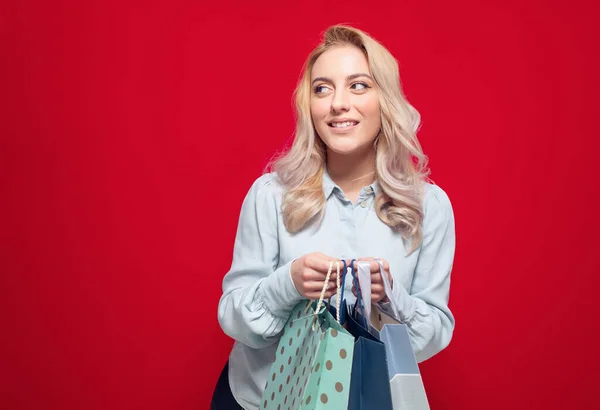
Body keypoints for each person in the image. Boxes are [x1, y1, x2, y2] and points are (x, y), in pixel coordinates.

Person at [212, 24, 456, 410]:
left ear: (386, 99)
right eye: (322, 88)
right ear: (309, 105)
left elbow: (434, 334)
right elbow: (233, 320)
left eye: (358, 85)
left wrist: (393, 299)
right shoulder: (270, 196)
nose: (338, 104)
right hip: (260, 402)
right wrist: (287, 283)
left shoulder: (429, 206)